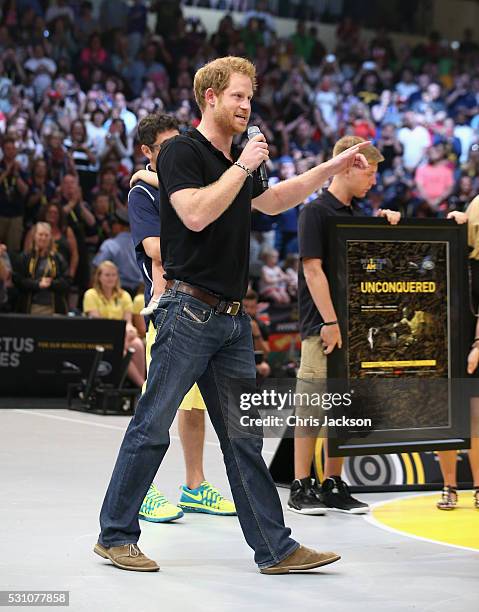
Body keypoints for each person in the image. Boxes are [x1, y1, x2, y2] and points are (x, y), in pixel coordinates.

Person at [94, 55, 371, 574]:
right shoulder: (181, 151)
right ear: (210, 97)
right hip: (186, 310)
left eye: (250, 96)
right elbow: (195, 212)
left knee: (245, 439)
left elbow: (269, 203)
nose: (247, 105)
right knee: (152, 426)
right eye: (238, 96)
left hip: (230, 318)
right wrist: (244, 165)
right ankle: (114, 535)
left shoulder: (242, 161)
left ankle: (276, 548)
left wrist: (330, 168)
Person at [127, 112, 236, 522]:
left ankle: (194, 486)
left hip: (203, 307)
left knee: (193, 407)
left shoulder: (183, 182)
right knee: (156, 405)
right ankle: (143, 490)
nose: (175, 154)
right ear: (147, 153)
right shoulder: (144, 195)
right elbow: (155, 247)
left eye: (179, 144)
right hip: (169, 306)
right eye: (165, 148)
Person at [289, 136, 402, 516]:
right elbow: (312, 268)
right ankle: (301, 484)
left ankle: (332, 483)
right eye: (369, 172)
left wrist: (385, 225)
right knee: (312, 406)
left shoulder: (357, 215)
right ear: (349, 166)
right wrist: (330, 320)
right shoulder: (315, 212)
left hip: (355, 328)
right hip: (321, 326)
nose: (373, 180)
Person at [436, 195, 479, 510]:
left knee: (476, 416)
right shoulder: (455, 251)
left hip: (473, 342)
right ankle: (449, 486)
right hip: (447, 340)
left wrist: (477, 345)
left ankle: (478, 487)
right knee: (448, 416)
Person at [83, 260, 146, 388]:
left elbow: (128, 323)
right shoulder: (91, 294)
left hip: (122, 337)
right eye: (107, 275)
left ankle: (142, 386)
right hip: (100, 336)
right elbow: (97, 324)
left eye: (113, 275)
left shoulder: (124, 295)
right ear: (99, 277)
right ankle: (142, 385)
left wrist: (129, 331)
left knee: (138, 344)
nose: (111, 278)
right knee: (121, 350)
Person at [13, 221, 70, 315]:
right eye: (40, 234)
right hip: (29, 308)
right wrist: (37, 284)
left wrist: (51, 283)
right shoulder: (24, 257)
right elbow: (17, 280)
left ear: (50, 237)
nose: (43, 238)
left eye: (46, 235)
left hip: (54, 309)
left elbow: (67, 282)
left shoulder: (58, 258)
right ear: (34, 236)